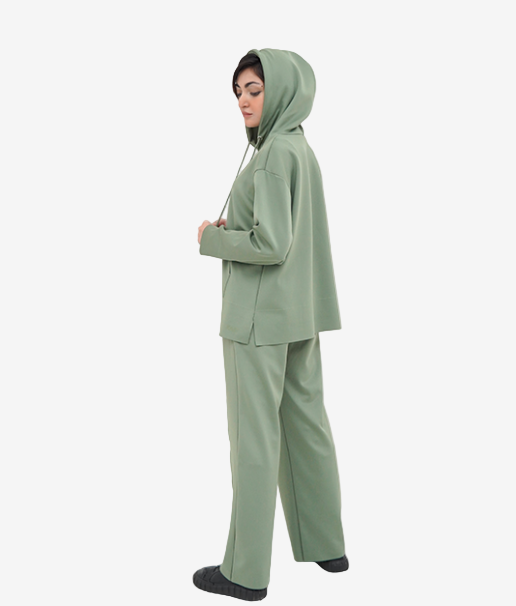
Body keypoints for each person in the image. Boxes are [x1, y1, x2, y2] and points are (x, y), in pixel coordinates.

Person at [194, 48, 348, 601]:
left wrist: (213, 239)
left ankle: (245, 571)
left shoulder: (270, 157)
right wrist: (239, 225)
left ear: (279, 91)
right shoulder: (299, 148)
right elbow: (290, 233)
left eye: (254, 90)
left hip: (257, 321)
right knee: (306, 427)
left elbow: (271, 244)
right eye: (238, 92)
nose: (243, 101)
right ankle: (326, 544)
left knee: (253, 441)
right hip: (300, 314)